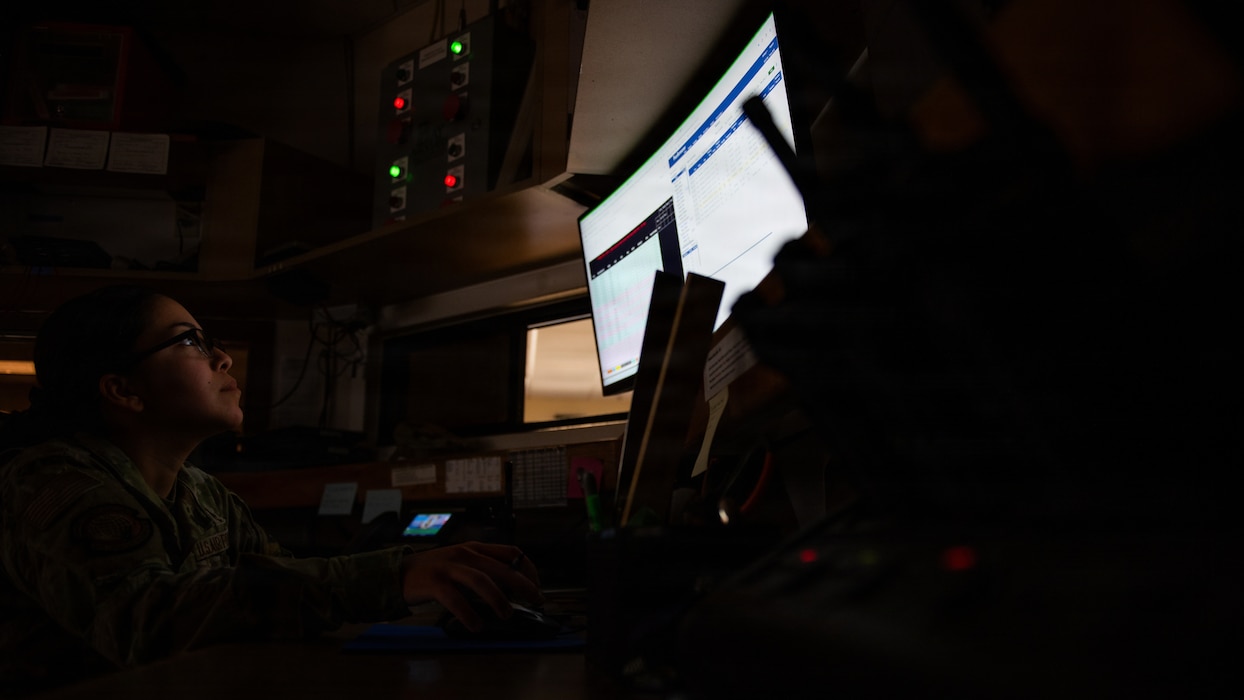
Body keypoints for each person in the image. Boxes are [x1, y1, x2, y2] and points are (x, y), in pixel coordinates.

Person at [0, 285, 543, 697]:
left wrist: (413, 575)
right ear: (123, 390)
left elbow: (279, 580)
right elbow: (148, 622)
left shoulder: (200, 491)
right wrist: (393, 577)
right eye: (189, 341)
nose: (221, 358)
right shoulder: (55, 482)